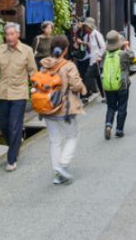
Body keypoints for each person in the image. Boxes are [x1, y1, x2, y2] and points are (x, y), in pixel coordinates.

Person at [0, 22, 37, 171]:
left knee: (14, 125)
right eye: (7, 34)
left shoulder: (27, 51)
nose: (9, 37)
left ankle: (11, 160)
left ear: (18, 35)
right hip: (3, 93)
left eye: (12, 34)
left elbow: (33, 71)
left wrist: (35, 87)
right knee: (4, 126)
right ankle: (16, 141)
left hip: (19, 93)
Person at [39, 35, 86, 185]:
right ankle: (62, 165)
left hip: (48, 108)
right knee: (72, 136)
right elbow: (76, 85)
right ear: (65, 50)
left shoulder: (44, 65)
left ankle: (57, 172)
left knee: (54, 140)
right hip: (64, 109)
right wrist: (82, 88)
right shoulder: (69, 65)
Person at [101, 30, 132, 139]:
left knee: (111, 107)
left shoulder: (105, 54)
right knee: (122, 107)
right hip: (122, 84)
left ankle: (108, 124)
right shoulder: (123, 54)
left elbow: (101, 67)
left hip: (108, 85)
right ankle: (119, 129)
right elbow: (134, 58)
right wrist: (127, 47)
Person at [83, 17, 106, 102]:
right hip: (92, 60)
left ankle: (85, 96)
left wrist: (99, 56)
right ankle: (104, 96)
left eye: (86, 26)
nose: (85, 28)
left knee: (88, 76)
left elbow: (103, 46)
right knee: (98, 78)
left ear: (90, 26)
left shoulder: (96, 34)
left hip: (96, 60)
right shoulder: (90, 35)